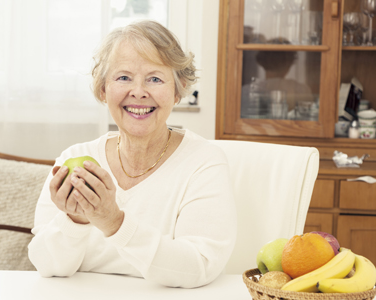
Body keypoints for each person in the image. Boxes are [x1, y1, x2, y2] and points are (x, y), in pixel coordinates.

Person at [28, 20, 237, 288]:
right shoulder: (75, 157)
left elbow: (198, 267)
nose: (138, 92)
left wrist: (113, 222)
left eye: (155, 79)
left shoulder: (204, 162)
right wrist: (76, 219)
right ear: (103, 89)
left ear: (178, 90)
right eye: (123, 77)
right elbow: (46, 265)